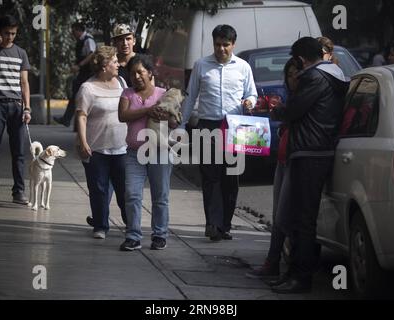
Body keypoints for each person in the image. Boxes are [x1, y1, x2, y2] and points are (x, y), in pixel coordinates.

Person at [269, 37, 349, 293]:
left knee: (302, 219)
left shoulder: (314, 78)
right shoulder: (335, 76)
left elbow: (294, 110)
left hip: (308, 151)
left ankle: (300, 278)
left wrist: (277, 110)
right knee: (300, 217)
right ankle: (293, 272)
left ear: (301, 59)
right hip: (318, 150)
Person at [180, 24, 257, 241]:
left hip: (235, 128)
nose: (221, 48)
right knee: (210, 177)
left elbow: (252, 93)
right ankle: (212, 224)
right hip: (208, 127)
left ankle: (225, 225)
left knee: (231, 178)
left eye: (226, 45)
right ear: (213, 44)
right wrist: (181, 125)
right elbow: (191, 96)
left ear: (233, 44)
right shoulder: (201, 65)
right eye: (217, 44)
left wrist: (250, 102)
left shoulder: (243, 67)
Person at [245, 58, 299, 281]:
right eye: (290, 74)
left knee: (289, 217)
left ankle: (290, 269)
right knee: (279, 216)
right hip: (283, 159)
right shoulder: (291, 97)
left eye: (297, 73)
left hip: (298, 161)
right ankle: (274, 262)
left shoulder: (307, 97)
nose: (293, 78)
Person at [118, 54, 175, 251]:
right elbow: (122, 115)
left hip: (159, 152)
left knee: (160, 196)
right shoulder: (127, 94)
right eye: (132, 73)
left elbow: (175, 122)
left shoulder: (163, 93)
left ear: (150, 73)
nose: (136, 77)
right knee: (132, 194)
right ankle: (133, 236)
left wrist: (166, 115)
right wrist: (147, 111)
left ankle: (160, 235)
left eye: (140, 72)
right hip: (134, 153)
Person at [75, 46, 128, 239]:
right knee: (99, 189)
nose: (118, 64)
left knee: (124, 189)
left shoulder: (121, 82)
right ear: (104, 66)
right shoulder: (87, 88)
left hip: (122, 147)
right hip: (96, 148)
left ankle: (130, 222)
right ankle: (100, 225)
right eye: (114, 61)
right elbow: (81, 117)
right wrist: (83, 142)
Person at [0, 15, 31, 204]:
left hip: (16, 107)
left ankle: (18, 191)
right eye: (7, 33)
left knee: (19, 151)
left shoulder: (21, 53)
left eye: (13, 33)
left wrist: (27, 108)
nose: (10, 37)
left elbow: (24, 83)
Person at [54, 22, 96, 127]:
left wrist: (80, 65)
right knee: (76, 94)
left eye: (74, 31)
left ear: (78, 30)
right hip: (83, 72)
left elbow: (92, 54)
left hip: (88, 73)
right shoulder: (81, 41)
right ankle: (71, 121)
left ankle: (70, 120)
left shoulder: (88, 40)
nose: (73, 34)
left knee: (79, 94)